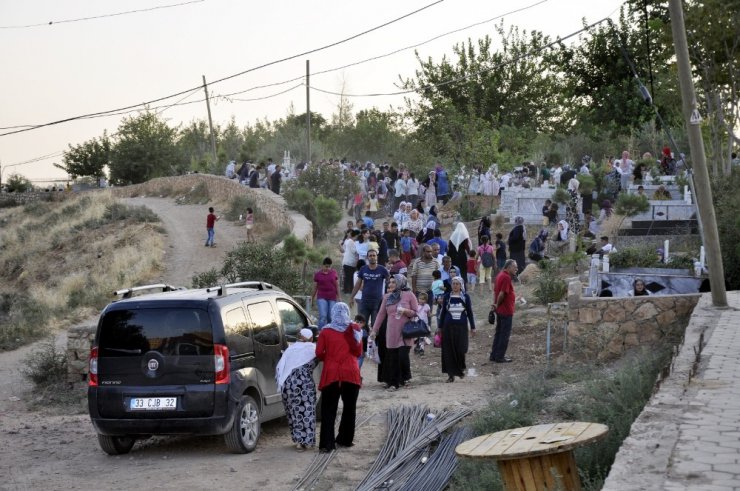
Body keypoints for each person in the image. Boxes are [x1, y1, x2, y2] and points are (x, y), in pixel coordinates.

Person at [316, 303, 362, 453]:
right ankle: (345, 439)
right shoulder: (355, 328)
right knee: (350, 408)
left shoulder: (325, 331)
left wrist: (328, 357)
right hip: (351, 372)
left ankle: (326, 444)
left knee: (329, 409)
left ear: (333, 313)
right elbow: (359, 352)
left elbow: (318, 353)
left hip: (332, 373)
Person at [371, 275, 419, 391]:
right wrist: (374, 330)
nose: (390, 284)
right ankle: (393, 383)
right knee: (392, 358)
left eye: (393, 282)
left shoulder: (409, 295)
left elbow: (416, 312)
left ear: (400, 283)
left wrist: (405, 311)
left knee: (402, 356)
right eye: (390, 282)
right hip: (391, 332)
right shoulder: (387, 297)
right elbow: (381, 315)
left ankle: (404, 378)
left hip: (405, 332)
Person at [275, 328, 317, 451]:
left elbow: (280, 368)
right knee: (307, 412)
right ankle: (306, 441)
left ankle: (299, 441)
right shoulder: (312, 349)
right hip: (304, 385)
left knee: (294, 413)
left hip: (287, 385)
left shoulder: (290, 349)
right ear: (310, 338)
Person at [439, 276, 476, 382]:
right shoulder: (446, 297)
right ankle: (451, 375)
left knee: (461, 349)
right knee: (448, 350)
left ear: (461, 285)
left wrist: (473, 327)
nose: (455, 285)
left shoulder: (466, 297)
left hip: (461, 327)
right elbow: (443, 313)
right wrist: (440, 327)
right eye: (453, 283)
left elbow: (469, 312)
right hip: (448, 327)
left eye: (457, 284)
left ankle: (460, 369)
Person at [349, 250, 389, 329]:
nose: (372, 257)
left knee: (375, 326)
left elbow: (390, 282)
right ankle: (363, 341)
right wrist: (351, 297)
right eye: (370, 256)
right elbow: (358, 284)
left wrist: (389, 296)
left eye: (374, 255)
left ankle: (374, 341)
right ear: (367, 257)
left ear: (377, 257)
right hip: (365, 302)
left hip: (377, 302)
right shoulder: (363, 269)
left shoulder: (382, 269)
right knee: (362, 326)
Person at [490, 259, 517, 363]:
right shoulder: (506, 277)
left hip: (500, 310)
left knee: (499, 333)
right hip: (505, 310)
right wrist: (496, 304)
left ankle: (494, 355)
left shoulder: (500, 275)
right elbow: (501, 293)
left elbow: (496, 292)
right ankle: (499, 357)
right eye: (515, 267)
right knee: (504, 335)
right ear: (509, 267)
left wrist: (495, 304)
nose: (516, 269)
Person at [313, 257, 339, 328]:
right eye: (326, 266)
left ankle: (330, 332)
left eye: (329, 266)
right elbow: (315, 287)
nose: (328, 268)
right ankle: (320, 332)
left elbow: (337, 285)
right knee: (323, 316)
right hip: (321, 297)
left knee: (330, 317)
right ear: (323, 265)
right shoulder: (318, 274)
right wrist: (312, 297)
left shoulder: (334, 273)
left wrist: (339, 297)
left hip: (332, 297)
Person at [340, 230, 359, 294]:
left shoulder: (349, 241)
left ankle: (347, 290)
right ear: (356, 235)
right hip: (349, 262)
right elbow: (355, 251)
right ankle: (349, 290)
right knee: (349, 277)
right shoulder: (351, 242)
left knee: (348, 277)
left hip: (348, 262)